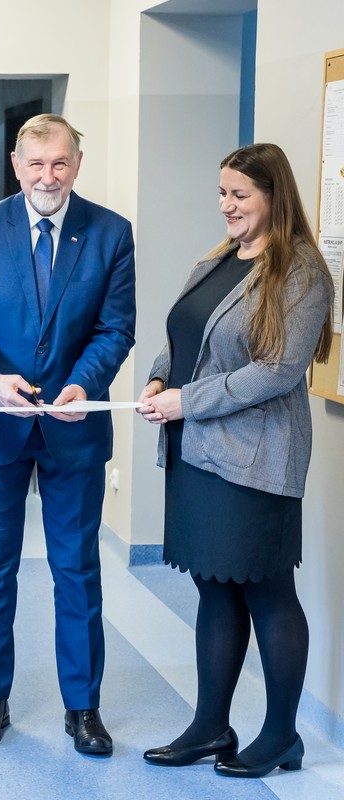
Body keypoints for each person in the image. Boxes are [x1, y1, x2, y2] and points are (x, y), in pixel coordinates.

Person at [137, 142, 332, 779]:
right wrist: (158, 379)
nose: (226, 205)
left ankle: (281, 737)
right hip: (197, 454)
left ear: (275, 196)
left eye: (240, 195)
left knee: (268, 591)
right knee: (214, 587)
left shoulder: (301, 271)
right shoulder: (218, 259)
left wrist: (185, 401)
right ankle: (211, 727)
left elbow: (277, 370)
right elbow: (184, 339)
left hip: (256, 461)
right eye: (222, 192)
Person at [0, 114, 135, 755]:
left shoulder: (110, 232)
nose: (47, 177)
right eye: (35, 164)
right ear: (16, 166)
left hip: (74, 429)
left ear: (77, 164)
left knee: (76, 570)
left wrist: (84, 383)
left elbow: (115, 328)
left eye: (59, 163)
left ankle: (83, 707)